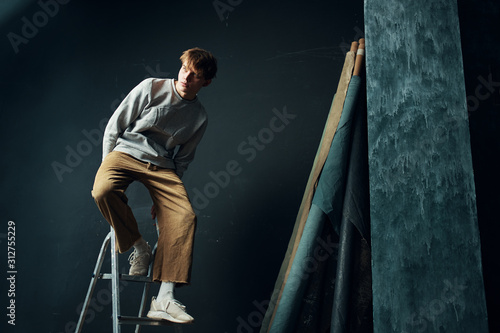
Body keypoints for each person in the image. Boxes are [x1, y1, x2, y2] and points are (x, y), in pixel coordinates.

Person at [91, 47, 217, 324]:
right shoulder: (151, 87)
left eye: (195, 75)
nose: (186, 77)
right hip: (125, 153)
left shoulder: (200, 117)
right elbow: (115, 126)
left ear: (205, 82)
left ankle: (164, 298)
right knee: (103, 190)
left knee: (184, 217)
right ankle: (139, 246)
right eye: (185, 69)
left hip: (163, 167)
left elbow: (183, 159)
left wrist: (164, 201)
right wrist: (106, 165)